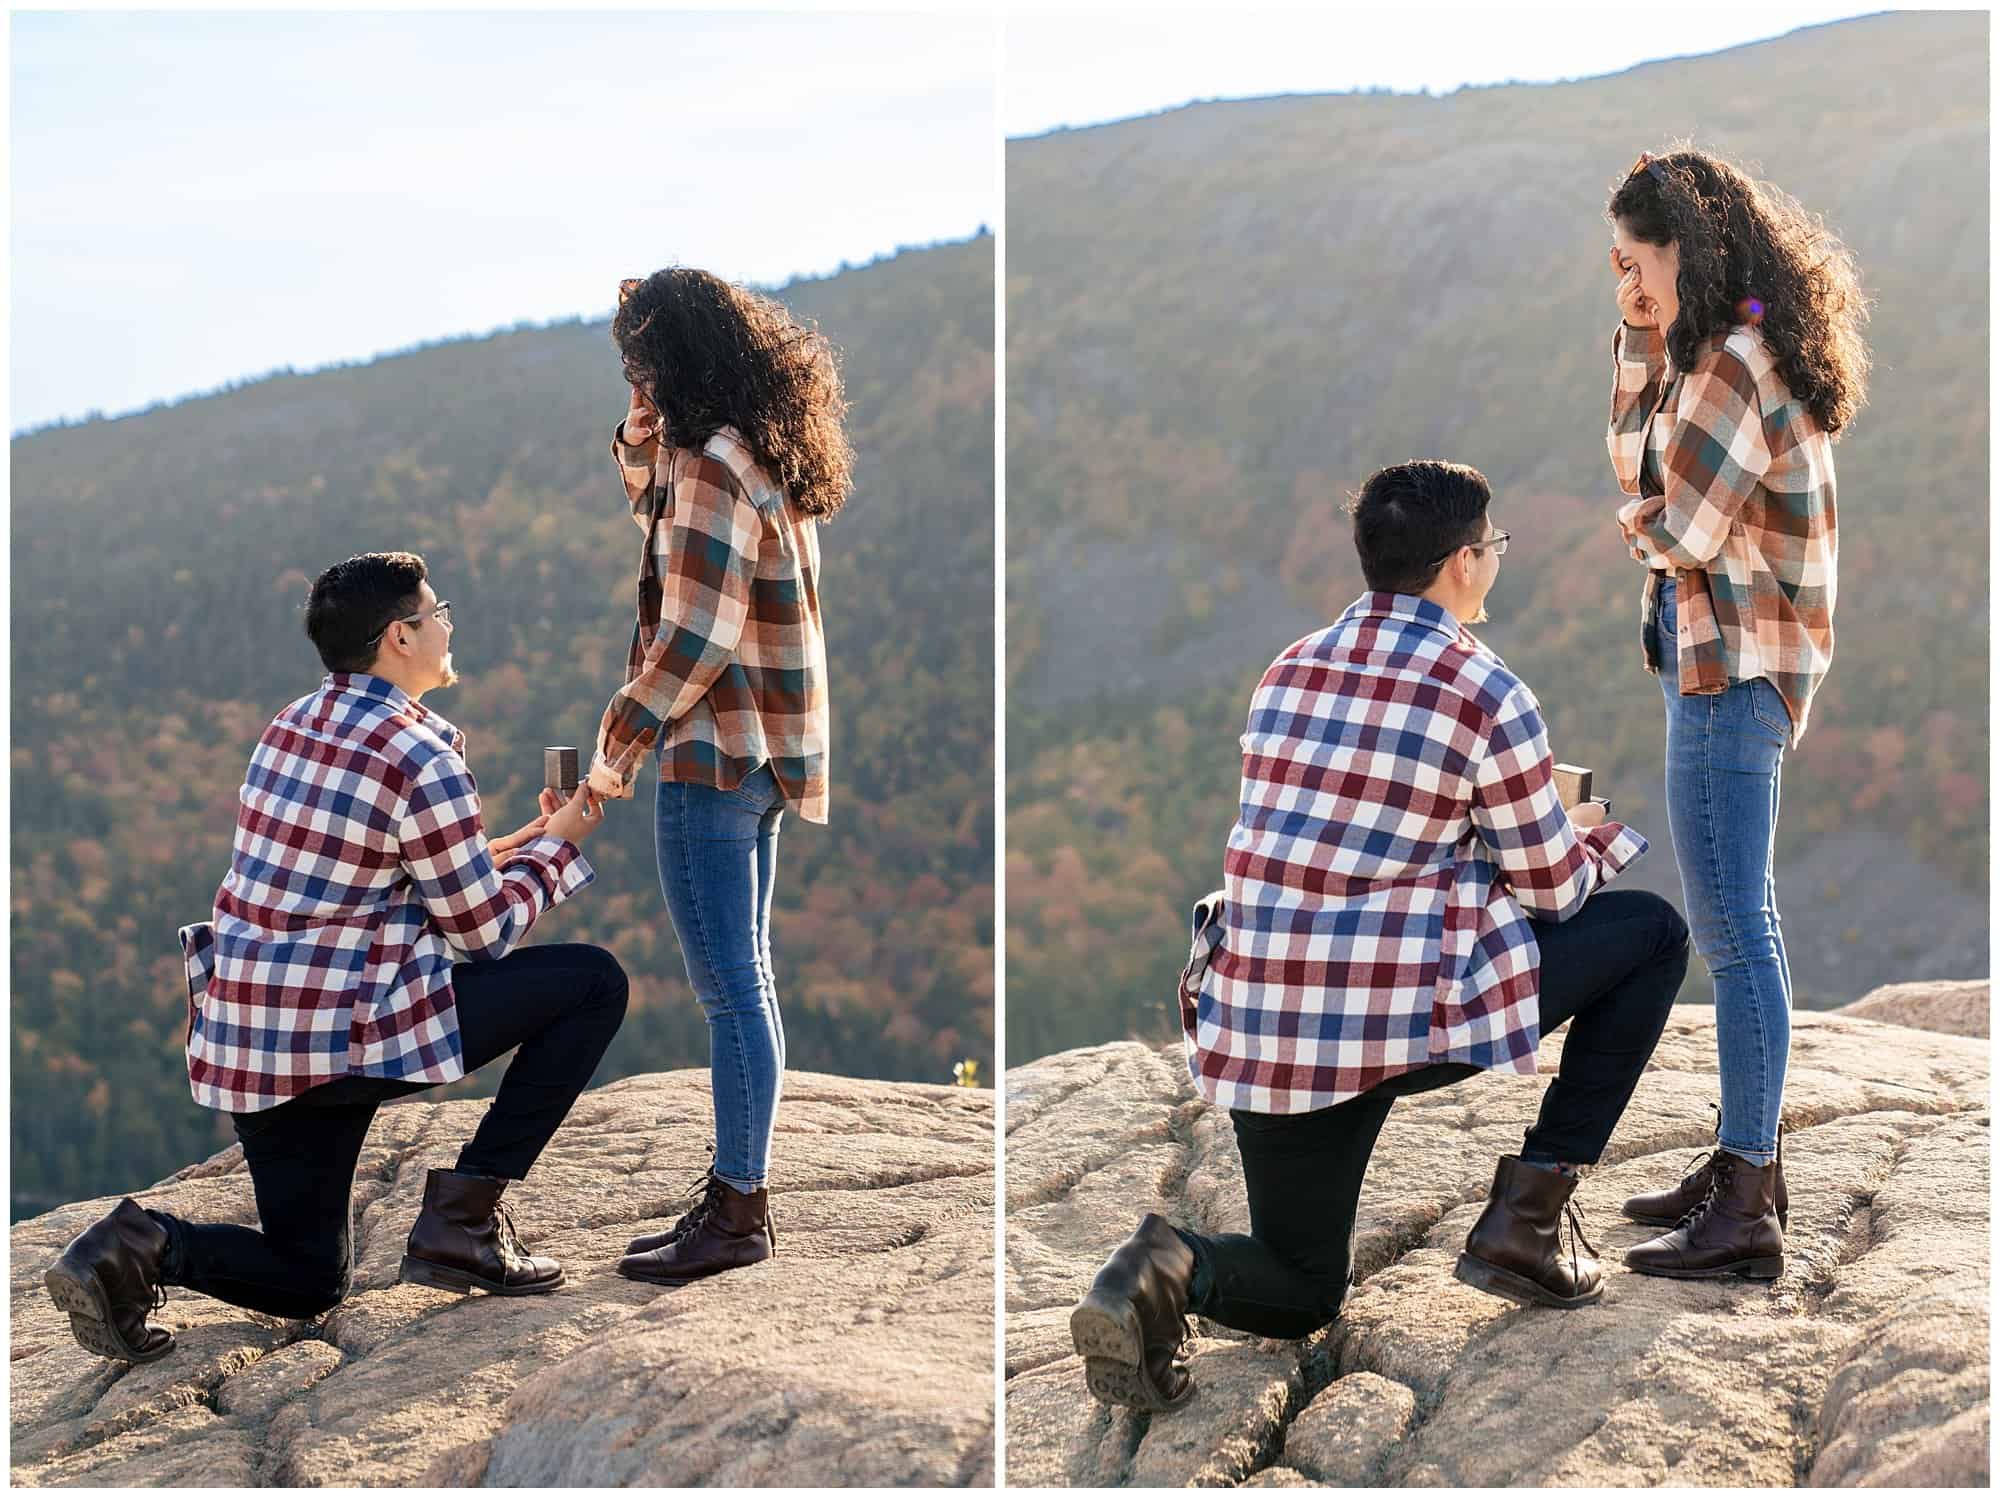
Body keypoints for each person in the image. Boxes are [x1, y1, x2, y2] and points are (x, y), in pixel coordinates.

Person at [1070, 461, 1689, 1412]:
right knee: (1648, 934)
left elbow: (1342, 838)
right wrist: (1593, 834)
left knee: (1300, 1284)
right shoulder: (1487, 693)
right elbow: (1554, 889)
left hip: (1263, 1013)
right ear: (1461, 562)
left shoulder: (1290, 666)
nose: (1495, 562)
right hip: (1392, 1020)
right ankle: (1528, 1219)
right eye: (1493, 547)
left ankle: (1160, 1267)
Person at [44, 552, 624, 1364]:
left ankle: (137, 1245)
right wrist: (560, 851)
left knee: (309, 1278)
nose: (450, 624)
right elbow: (482, 933)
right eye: (439, 612)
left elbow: (363, 881)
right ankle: (464, 1219)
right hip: (342, 1038)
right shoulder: (420, 757)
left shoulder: (293, 722)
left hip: (253, 1041)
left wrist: (512, 844)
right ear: (400, 637)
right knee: (593, 983)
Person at [1605, 148, 1869, 1281]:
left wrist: (1636, 528)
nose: (1624, 274)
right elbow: (1637, 461)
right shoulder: (1729, 348)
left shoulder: (1727, 365)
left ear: (1687, 247)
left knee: (1732, 937)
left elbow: (1677, 528)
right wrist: (1637, 339)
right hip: (1735, 668)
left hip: (1730, 674)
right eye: (1614, 263)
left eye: (1637, 257)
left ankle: (1747, 1201)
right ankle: (1737, 1161)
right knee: (1736, 923)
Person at [589, 268, 852, 1287]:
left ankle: (739, 1207)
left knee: (726, 987)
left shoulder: (710, 466)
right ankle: (736, 1194)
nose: (633, 377)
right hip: (768, 751)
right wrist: (637, 428)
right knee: (749, 978)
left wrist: (619, 738)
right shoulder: (758, 453)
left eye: (638, 362)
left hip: (712, 749)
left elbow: (697, 630)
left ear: (670, 357)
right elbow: (652, 509)